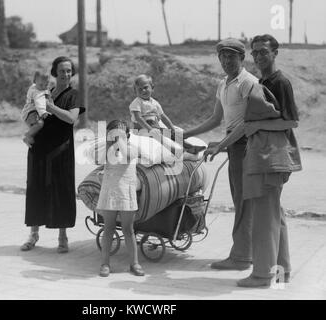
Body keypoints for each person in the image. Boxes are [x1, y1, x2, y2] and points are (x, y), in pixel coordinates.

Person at [184, 38, 258, 270]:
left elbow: (246, 124)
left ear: (241, 58)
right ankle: (247, 253)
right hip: (234, 145)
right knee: (241, 200)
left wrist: (220, 145)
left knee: (244, 202)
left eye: (231, 56)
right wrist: (185, 133)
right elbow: (216, 119)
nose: (226, 61)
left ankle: (241, 257)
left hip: (246, 145)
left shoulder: (248, 82)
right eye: (223, 57)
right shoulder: (223, 83)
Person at [236, 34, 302, 287]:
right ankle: (281, 270)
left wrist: (257, 125)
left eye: (264, 52)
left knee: (265, 217)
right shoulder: (264, 80)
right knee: (275, 215)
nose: (259, 56)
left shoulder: (280, 82)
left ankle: (262, 275)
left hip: (270, 157)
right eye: (255, 53)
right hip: (268, 156)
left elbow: (292, 121)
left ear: (275, 53)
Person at [20, 56, 85, 253]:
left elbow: (71, 118)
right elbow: (30, 109)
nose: (66, 74)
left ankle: (62, 236)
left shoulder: (74, 94)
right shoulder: (43, 91)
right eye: (62, 70)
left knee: (62, 191)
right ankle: (33, 234)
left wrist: (51, 107)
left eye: (69, 70)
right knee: (36, 189)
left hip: (61, 150)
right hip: (39, 149)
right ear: (54, 73)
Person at [96, 120, 145, 277]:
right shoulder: (107, 151)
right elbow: (98, 159)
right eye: (113, 134)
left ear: (128, 136)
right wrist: (111, 142)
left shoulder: (132, 149)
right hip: (109, 193)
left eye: (121, 134)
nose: (116, 137)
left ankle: (134, 263)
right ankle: (105, 263)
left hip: (126, 194)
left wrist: (120, 140)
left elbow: (127, 155)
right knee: (108, 229)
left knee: (128, 230)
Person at [129, 74, 205, 156]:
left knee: (171, 134)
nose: (143, 91)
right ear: (135, 91)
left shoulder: (155, 103)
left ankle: (190, 147)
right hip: (141, 128)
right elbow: (138, 118)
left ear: (152, 88)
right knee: (159, 136)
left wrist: (171, 128)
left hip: (155, 127)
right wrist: (150, 129)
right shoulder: (137, 102)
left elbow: (163, 116)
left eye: (145, 87)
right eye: (139, 89)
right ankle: (173, 150)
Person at [21, 71, 51, 147]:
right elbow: (39, 103)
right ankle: (27, 135)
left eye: (46, 84)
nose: (43, 87)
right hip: (31, 112)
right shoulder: (37, 92)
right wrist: (43, 112)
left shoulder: (35, 87)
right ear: (35, 81)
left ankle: (29, 139)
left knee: (36, 129)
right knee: (40, 124)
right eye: (41, 84)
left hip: (31, 112)